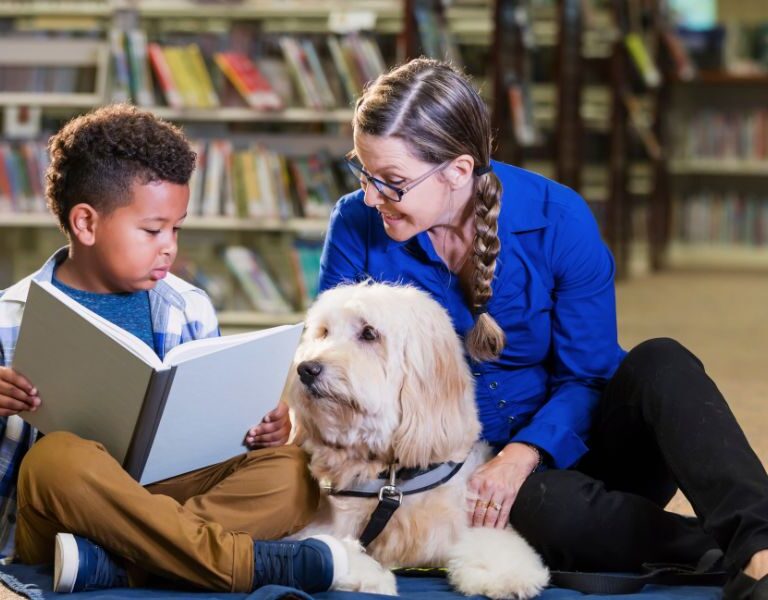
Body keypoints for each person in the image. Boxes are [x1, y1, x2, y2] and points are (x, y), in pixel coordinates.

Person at [318, 57, 768, 600]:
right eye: (362, 173)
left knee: (662, 360)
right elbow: (330, 351)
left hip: (578, 444)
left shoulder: (560, 218)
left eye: (390, 183)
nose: (371, 197)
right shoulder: (354, 223)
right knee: (542, 510)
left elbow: (591, 375)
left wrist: (523, 452)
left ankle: (760, 545)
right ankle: (705, 549)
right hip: (454, 475)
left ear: (459, 171)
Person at [0, 104, 348, 594]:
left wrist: (262, 428)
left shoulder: (188, 307)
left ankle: (115, 564)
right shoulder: (9, 316)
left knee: (294, 472)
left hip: (165, 497)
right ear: (85, 223)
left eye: (176, 229)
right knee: (56, 458)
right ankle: (238, 564)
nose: (169, 247)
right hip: (62, 510)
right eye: (151, 229)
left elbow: (214, 439)